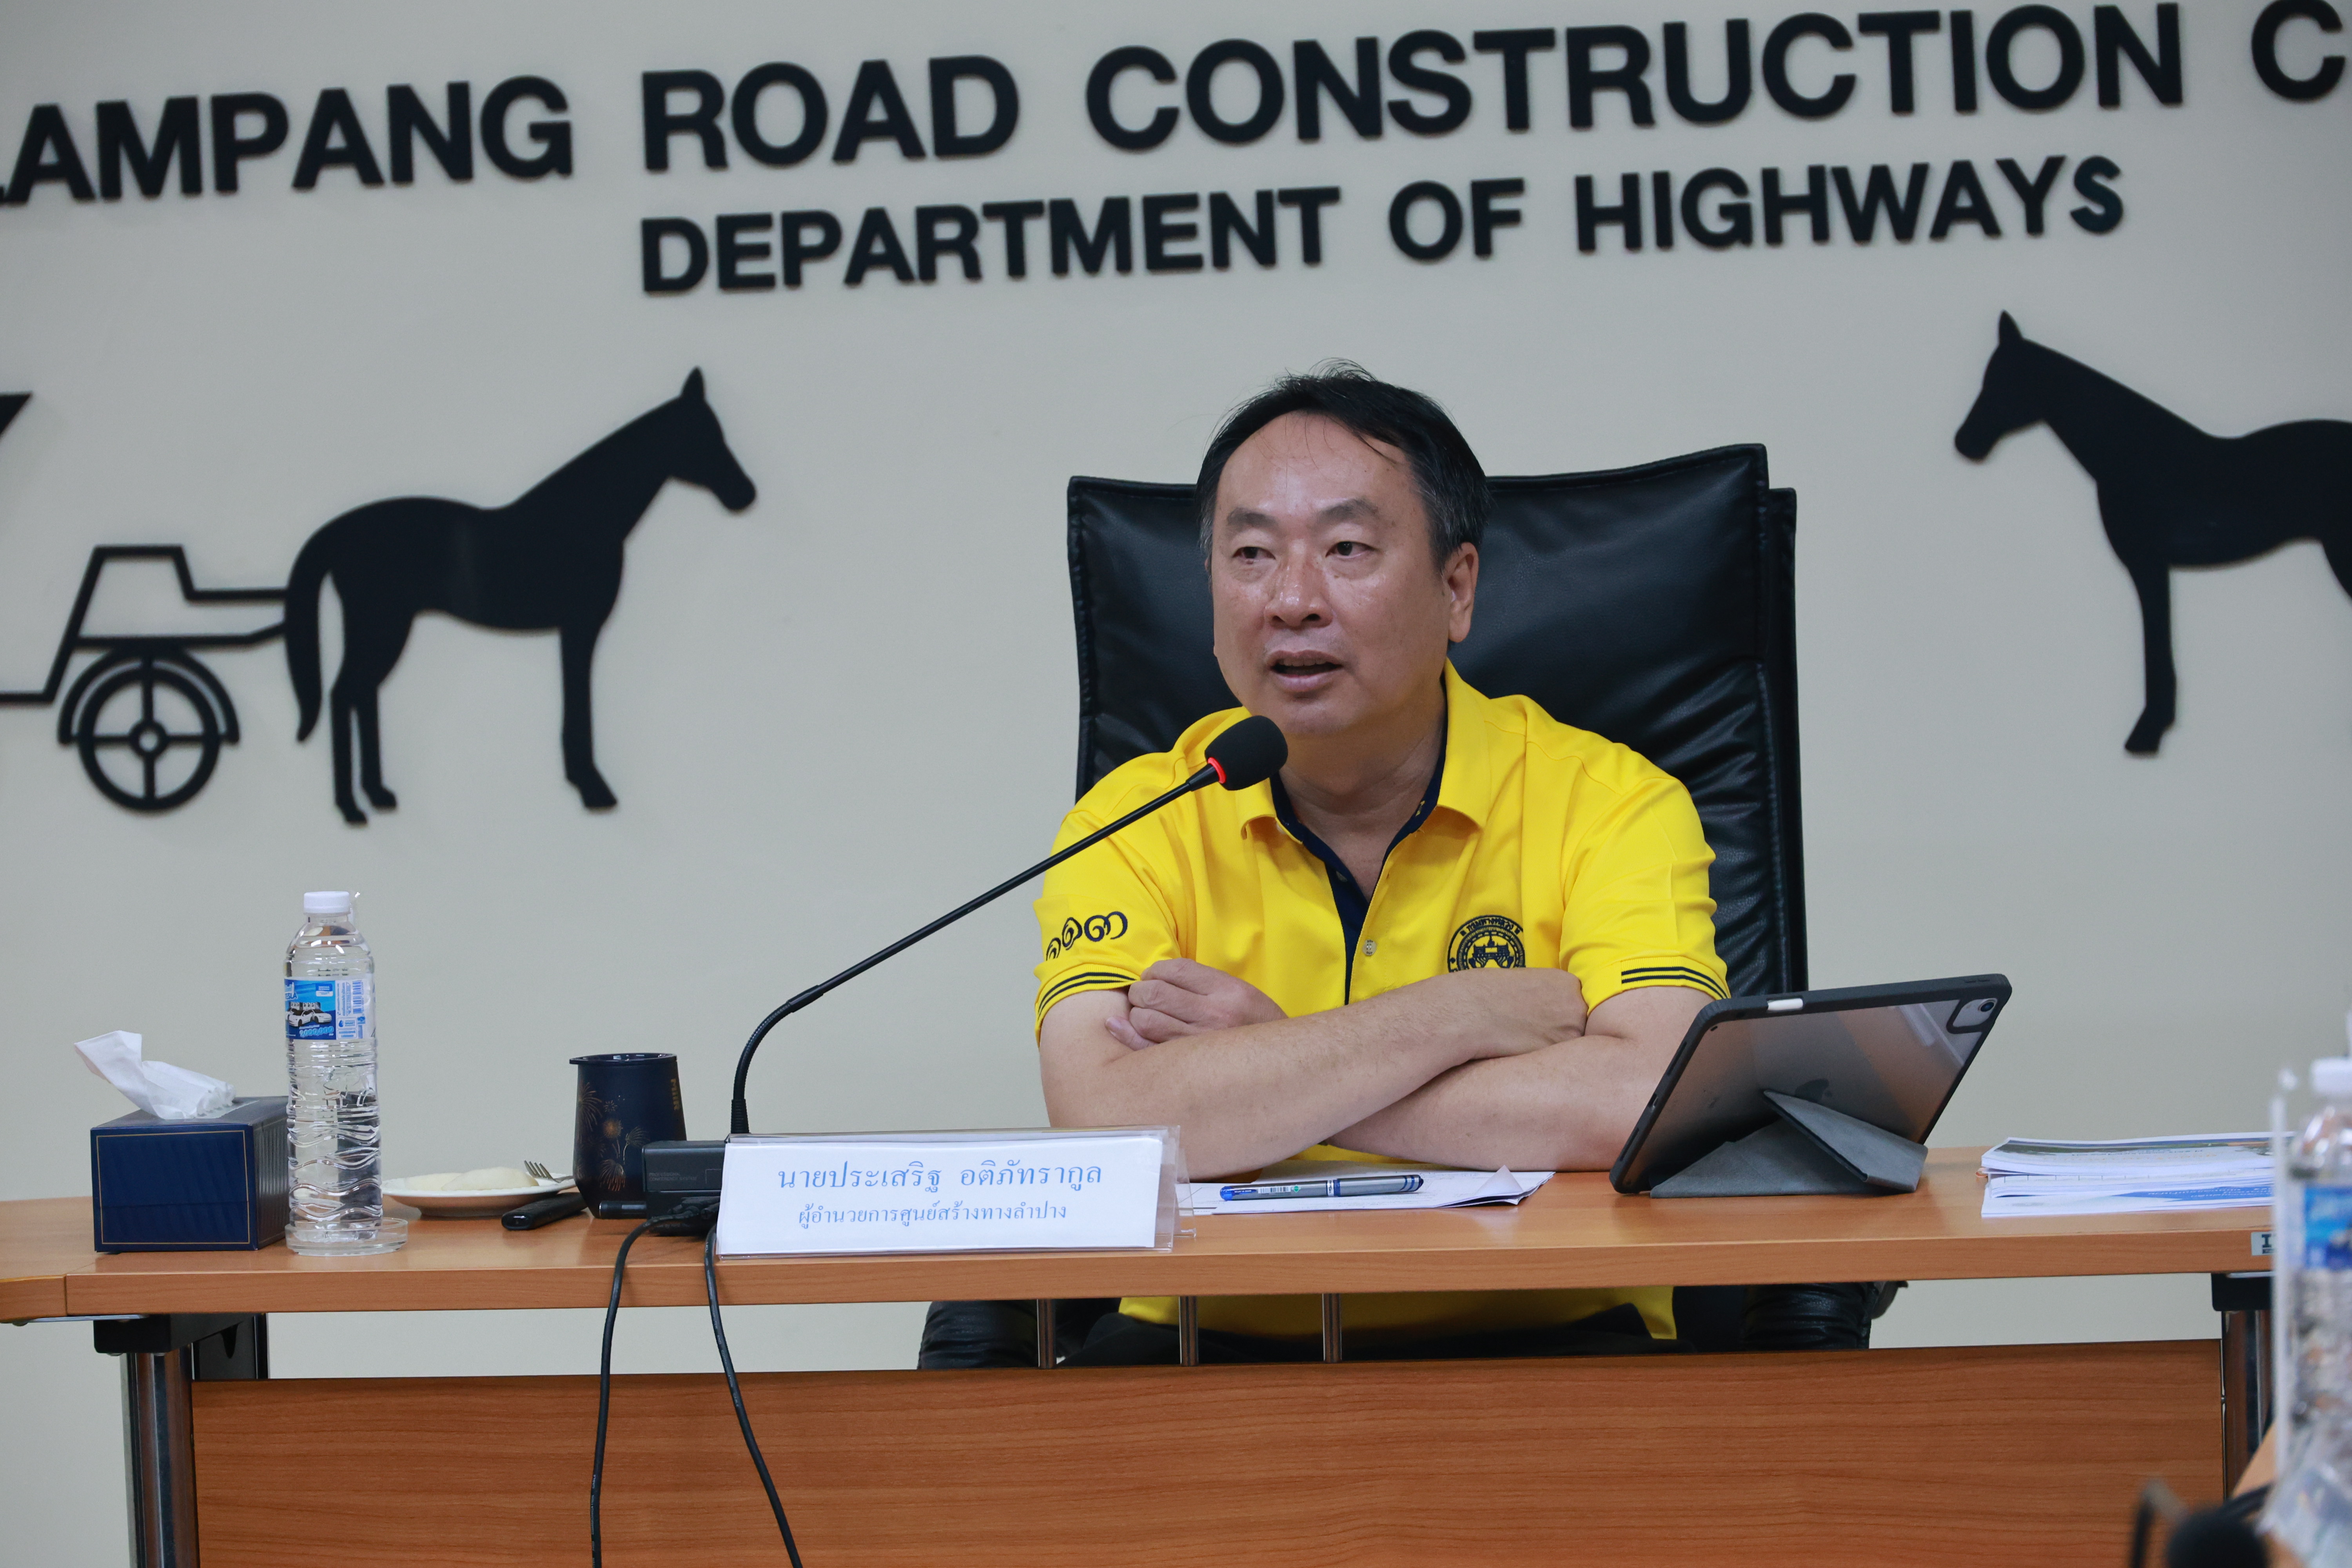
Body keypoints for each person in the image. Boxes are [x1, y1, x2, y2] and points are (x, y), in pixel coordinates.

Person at [1032, 365, 1728, 1363]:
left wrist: (1273, 1066)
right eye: (1251, 554)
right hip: (1201, 1352)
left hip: (1558, 1345)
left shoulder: (1611, 801)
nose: (1292, 600)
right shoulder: (1136, 819)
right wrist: (1456, 1016)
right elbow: (1105, 1118)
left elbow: (1651, 1102)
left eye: (1347, 549)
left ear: (1457, 587)